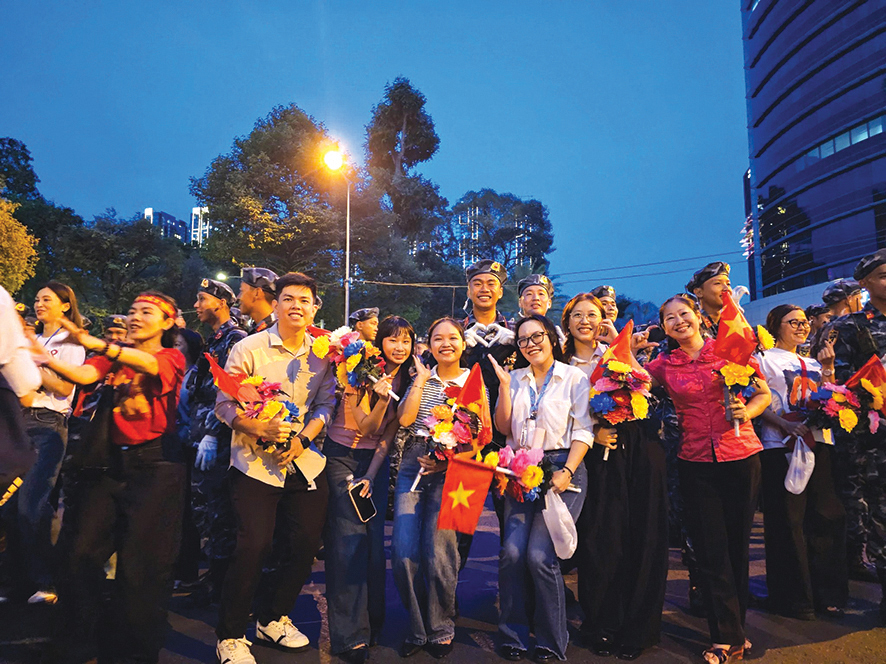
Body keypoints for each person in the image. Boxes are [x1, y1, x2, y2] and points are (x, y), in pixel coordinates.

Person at [38, 291, 186, 664]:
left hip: (154, 468)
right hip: (105, 464)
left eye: (146, 312)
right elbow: (84, 374)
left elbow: (148, 365)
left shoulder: (171, 356)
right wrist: (35, 353)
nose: (136, 317)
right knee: (79, 553)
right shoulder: (113, 354)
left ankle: (132, 652)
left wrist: (98, 343)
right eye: (132, 310)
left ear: (167, 323)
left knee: (141, 567)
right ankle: (79, 642)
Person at [214, 272, 336, 664]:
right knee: (254, 545)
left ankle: (273, 617)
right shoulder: (249, 347)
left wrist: (304, 440)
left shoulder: (325, 352)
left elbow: (325, 405)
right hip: (254, 464)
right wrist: (256, 427)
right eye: (288, 299)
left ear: (314, 308)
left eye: (304, 300)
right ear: (276, 304)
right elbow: (224, 405)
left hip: (303, 461)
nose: (296, 306)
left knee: (305, 543)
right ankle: (230, 635)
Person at [645, 294, 770, 664]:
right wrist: (624, 349)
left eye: (684, 313)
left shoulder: (730, 351)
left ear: (698, 316)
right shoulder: (663, 365)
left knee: (738, 548)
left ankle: (737, 632)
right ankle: (725, 637)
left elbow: (763, 394)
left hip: (742, 455)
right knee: (711, 550)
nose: (679, 321)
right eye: (669, 318)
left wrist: (747, 410)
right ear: (664, 327)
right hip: (695, 460)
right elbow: (630, 381)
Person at [561, 294, 669, 660]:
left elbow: (646, 394)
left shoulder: (617, 354)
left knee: (641, 538)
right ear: (567, 322)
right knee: (601, 542)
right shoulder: (559, 363)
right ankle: (601, 625)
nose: (585, 321)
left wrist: (620, 349)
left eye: (592, 314)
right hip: (592, 459)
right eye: (577, 315)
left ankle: (637, 628)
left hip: (637, 453)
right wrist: (593, 433)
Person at [488, 314, 591, 662]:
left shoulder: (573, 377)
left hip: (562, 466)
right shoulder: (515, 378)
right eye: (523, 340)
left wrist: (567, 471)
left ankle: (551, 639)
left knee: (539, 556)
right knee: (512, 553)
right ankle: (512, 634)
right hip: (520, 466)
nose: (531, 344)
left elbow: (584, 430)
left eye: (537, 336)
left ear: (551, 337)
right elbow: (504, 427)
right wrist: (504, 387)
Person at [324, 316, 415, 663]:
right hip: (341, 457)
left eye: (406, 341)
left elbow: (387, 435)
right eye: (392, 340)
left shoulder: (407, 379)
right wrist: (380, 398)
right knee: (348, 544)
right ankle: (349, 636)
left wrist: (372, 476)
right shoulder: (360, 367)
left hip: (373, 464)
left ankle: (373, 624)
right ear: (381, 343)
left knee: (375, 546)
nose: (399, 347)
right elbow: (367, 425)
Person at [756, 304, 847, 620]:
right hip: (780, 445)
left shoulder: (814, 361)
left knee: (825, 516)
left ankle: (828, 594)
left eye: (804, 322)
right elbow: (757, 399)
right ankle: (794, 598)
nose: (801, 326)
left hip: (819, 443)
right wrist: (783, 424)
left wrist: (828, 368)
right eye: (792, 321)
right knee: (788, 521)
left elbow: (832, 396)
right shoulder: (764, 359)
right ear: (775, 326)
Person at [393, 317, 470, 659]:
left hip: (456, 468)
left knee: (440, 552)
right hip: (414, 460)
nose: (445, 344)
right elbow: (405, 420)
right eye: (438, 338)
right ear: (430, 344)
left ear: (463, 344)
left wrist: (446, 462)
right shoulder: (422, 377)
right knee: (403, 550)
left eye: (452, 338)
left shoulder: (473, 381)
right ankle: (416, 627)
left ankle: (441, 627)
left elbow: (480, 437)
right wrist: (421, 382)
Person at [13, 281, 85, 605]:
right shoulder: (35, 339)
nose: (39, 304)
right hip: (20, 421)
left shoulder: (70, 343)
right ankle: (18, 581)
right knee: (11, 506)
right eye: (37, 299)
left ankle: (48, 582)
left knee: (33, 503)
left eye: (47, 299)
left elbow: (64, 388)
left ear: (65, 305)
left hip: (48, 424)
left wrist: (32, 365)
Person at [830, 248, 886, 622]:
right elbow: (839, 386)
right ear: (864, 283)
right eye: (883, 275)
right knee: (879, 515)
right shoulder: (851, 327)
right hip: (874, 438)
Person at [186, 278, 246, 602]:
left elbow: (231, 390)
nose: (197, 306)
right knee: (206, 509)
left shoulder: (235, 339)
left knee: (219, 511)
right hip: (201, 434)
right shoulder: (216, 338)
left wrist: (212, 433)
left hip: (219, 437)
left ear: (221, 303)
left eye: (202, 299)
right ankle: (213, 576)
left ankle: (220, 583)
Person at [173, 327, 205, 589]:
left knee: (188, 511)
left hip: (189, 447)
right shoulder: (170, 373)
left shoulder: (196, 376)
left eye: (179, 344)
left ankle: (187, 572)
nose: (174, 348)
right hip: (169, 445)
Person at [686, 262, 732, 336]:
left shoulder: (732, 323)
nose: (726, 288)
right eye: (718, 283)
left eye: (728, 284)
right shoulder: (693, 326)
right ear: (699, 292)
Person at [238, 266, 278, 334]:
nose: (238, 297)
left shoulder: (274, 331)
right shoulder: (270, 327)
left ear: (257, 293)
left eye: (242, 291)